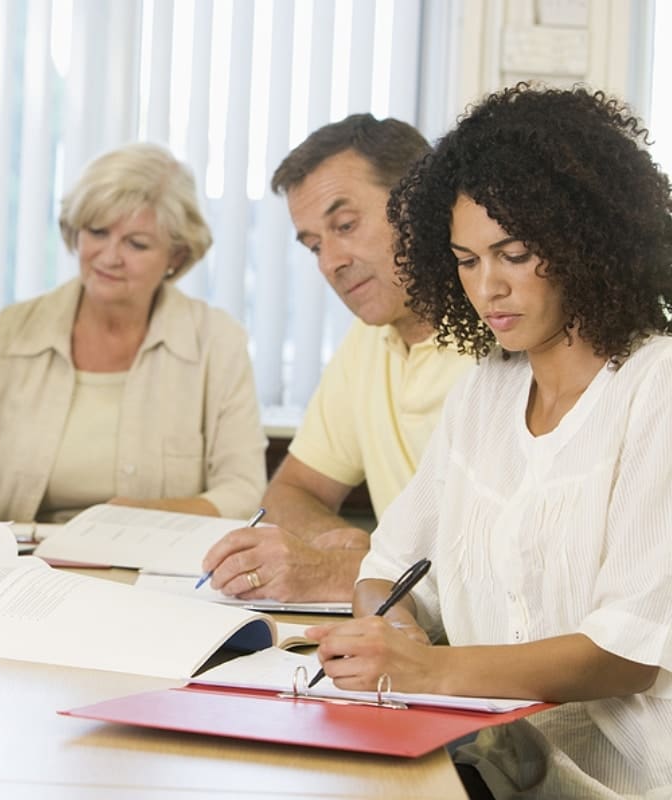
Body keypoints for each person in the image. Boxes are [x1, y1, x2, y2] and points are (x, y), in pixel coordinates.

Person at [309, 85, 672, 797]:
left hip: (622, 783)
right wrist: (394, 634)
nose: (488, 288)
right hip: (494, 763)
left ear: (585, 242)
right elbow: (388, 568)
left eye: (513, 254)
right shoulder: (487, 388)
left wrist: (431, 671)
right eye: (467, 260)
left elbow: (626, 652)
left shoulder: (655, 386)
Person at [0, 143, 267, 525]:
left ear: (175, 256)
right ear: (75, 232)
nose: (109, 257)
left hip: (147, 569)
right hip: (16, 568)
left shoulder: (217, 342)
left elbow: (243, 492)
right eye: (97, 232)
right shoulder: (5, 336)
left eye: (136, 244)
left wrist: (148, 517)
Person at [201, 115, 474, 602]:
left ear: (421, 203)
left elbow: (507, 570)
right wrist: (343, 545)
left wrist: (344, 571)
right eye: (313, 246)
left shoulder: (509, 339)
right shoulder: (368, 340)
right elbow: (290, 493)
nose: (330, 263)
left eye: (345, 226)